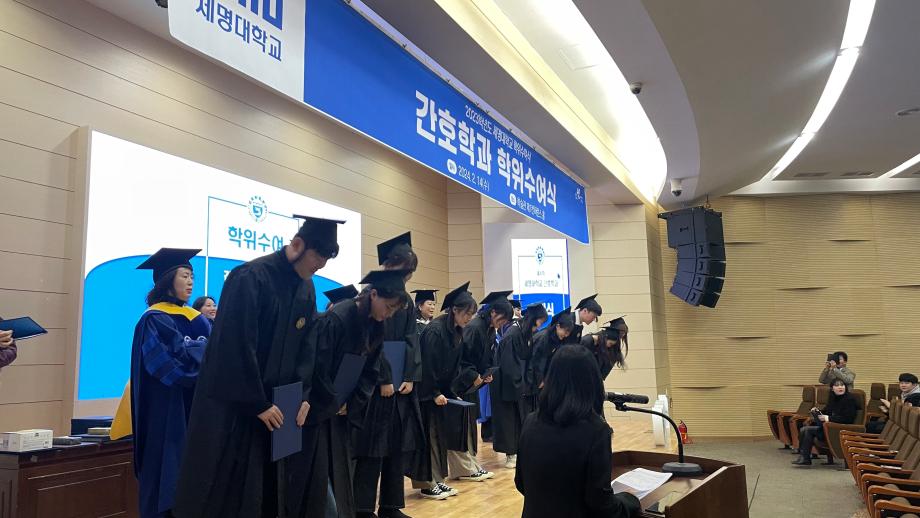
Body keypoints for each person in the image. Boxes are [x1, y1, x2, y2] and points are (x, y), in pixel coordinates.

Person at [174, 215, 343, 518]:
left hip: (281, 411)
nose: (319, 267)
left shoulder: (305, 288)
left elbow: (308, 348)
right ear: (297, 245)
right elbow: (234, 346)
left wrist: (303, 395)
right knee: (235, 495)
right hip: (240, 411)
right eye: (317, 259)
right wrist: (258, 402)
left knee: (275, 494)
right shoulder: (250, 278)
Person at [288, 268, 410, 518]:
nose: (389, 314)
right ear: (373, 295)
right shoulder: (338, 319)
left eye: (394, 311)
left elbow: (370, 370)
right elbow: (317, 367)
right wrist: (332, 402)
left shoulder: (375, 325)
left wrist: (352, 402)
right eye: (388, 307)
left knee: (340, 476)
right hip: (316, 413)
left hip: (340, 412)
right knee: (316, 477)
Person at [131, 248, 211, 518]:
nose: (190, 282)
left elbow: (215, 356)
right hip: (167, 412)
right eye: (184, 276)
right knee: (168, 476)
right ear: (167, 280)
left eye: (192, 277)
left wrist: (193, 354)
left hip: (198, 410)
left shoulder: (199, 321)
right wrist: (200, 362)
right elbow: (165, 367)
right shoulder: (153, 319)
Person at [516, 345, 641, 518]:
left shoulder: (530, 422)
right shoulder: (596, 431)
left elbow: (520, 483)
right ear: (592, 382)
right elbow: (600, 503)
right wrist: (629, 501)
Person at [353, 233, 426, 518]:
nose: (407, 276)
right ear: (388, 264)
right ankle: (362, 508)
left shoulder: (405, 300)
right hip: (374, 384)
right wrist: (383, 378)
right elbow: (371, 341)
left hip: (400, 382)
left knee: (396, 445)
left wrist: (409, 375)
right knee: (373, 447)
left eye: (410, 272)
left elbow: (411, 338)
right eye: (404, 269)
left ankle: (391, 506)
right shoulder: (371, 293)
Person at [411, 282, 478, 500]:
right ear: (454, 310)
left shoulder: (456, 332)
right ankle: (427, 483)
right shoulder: (435, 331)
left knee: (439, 438)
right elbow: (427, 365)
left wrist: (449, 392)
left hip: (439, 393)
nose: (469, 318)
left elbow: (452, 367)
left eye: (472, 314)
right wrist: (434, 393)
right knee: (427, 438)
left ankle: (437, 479)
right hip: (425, 393)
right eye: (466, 313)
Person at [449, 291, 514, 483]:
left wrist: (487, 372)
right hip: (461, 383)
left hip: (473, 383)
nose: (503, 324)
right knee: (461, 425)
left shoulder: (489, 329)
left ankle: (470, 465)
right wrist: (473, 375)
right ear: (493, 312)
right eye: (502, 319)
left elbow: (487, 357)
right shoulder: (475, 327)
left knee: (470, 423)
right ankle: (465, 468)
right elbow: (462, 357)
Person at [491, 302, 548, 469]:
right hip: (506, 383)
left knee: (519, 418)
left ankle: (520, 451)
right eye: (539, 322)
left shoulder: (525, 333)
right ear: (532, 319)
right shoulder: (513, 334)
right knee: (509, 420)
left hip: (519, 382)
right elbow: (509, 365)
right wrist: (518, 385)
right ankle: (511, 454)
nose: (539, 327)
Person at [793, 379, 859, 466]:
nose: (840, 387)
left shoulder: (849, 399)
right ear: (832, 389)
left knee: (807, 430)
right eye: (837, 385)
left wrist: (828, 418)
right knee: (804, 429)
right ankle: (804, 457)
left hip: (840, 430)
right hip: (829, 428)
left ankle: (805, 458)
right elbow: (826, 411)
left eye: (842, 385)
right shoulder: (833, 398)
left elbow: (848, 419)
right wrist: (817, 412)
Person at [530, 308, 576, 393]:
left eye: (568, 333)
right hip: (533, 381)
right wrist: (539, 380)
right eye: (565, 332)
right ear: (558, 326)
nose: (566, 335)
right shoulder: (543, 338)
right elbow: (534, 361)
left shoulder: (557, 339)